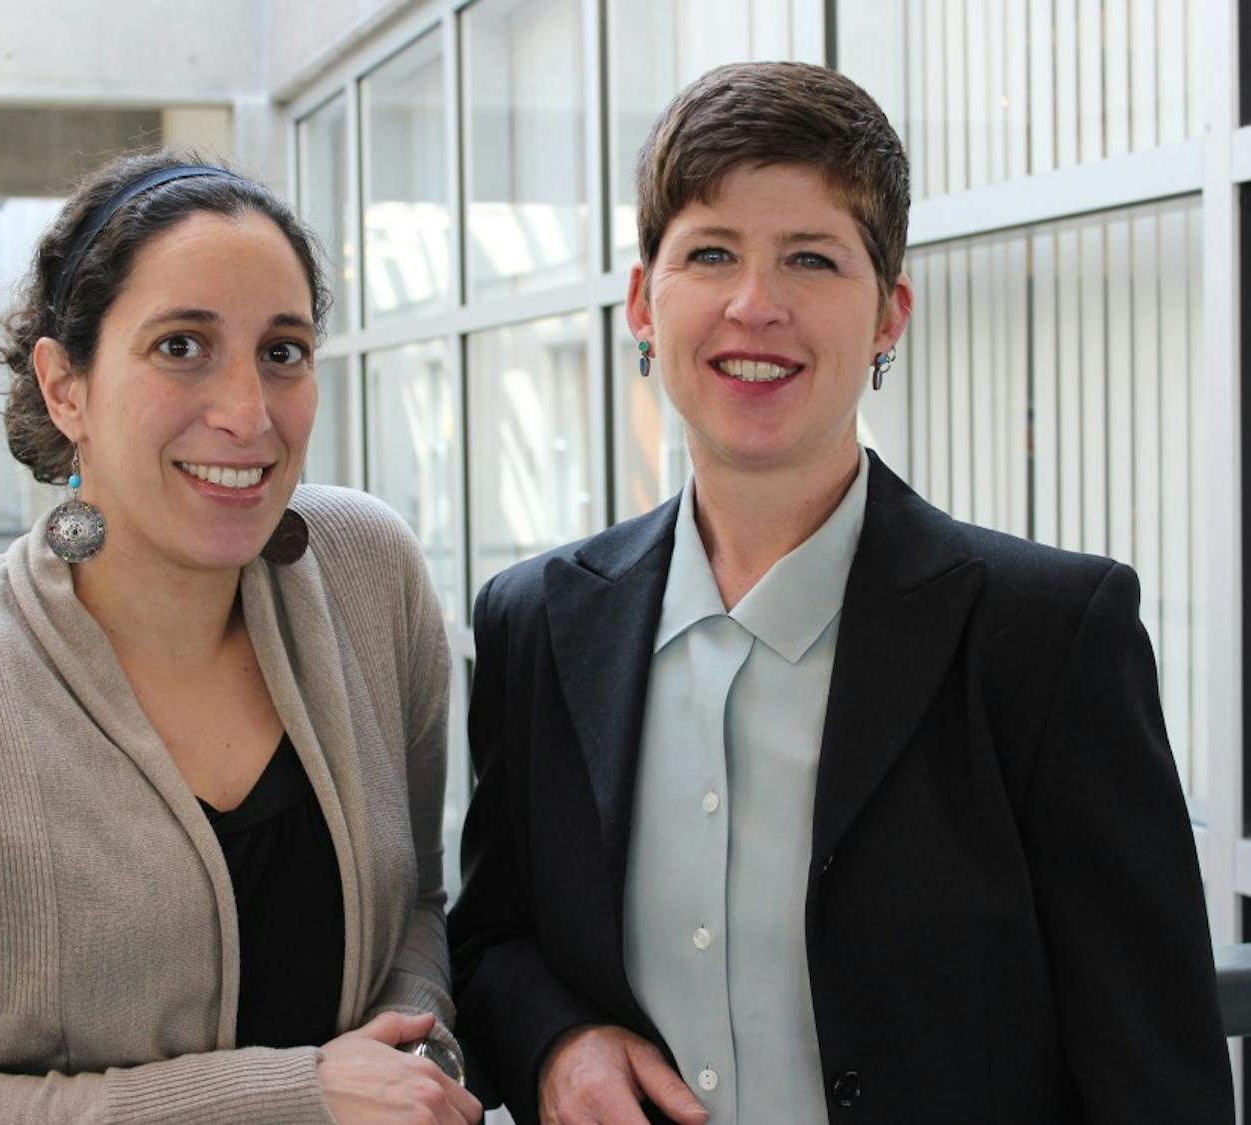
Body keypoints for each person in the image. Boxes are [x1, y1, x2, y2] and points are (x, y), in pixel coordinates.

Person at [448, 62, 1231, 1125]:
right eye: (711, 253)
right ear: (642, 300)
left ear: (889, 315)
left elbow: (1155, 1071)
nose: (754, 304)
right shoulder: (536, 621)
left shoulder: (1045, 638)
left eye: (811, 258)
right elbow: (495, 938)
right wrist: (557, 1044)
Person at [0, 151, 482, 1125]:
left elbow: (416, 915)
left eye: (283, 350)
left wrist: (415, 1056)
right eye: (182, 347)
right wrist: (290, 1100)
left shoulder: (367, 575)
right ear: (65, 388)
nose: (247, 414)